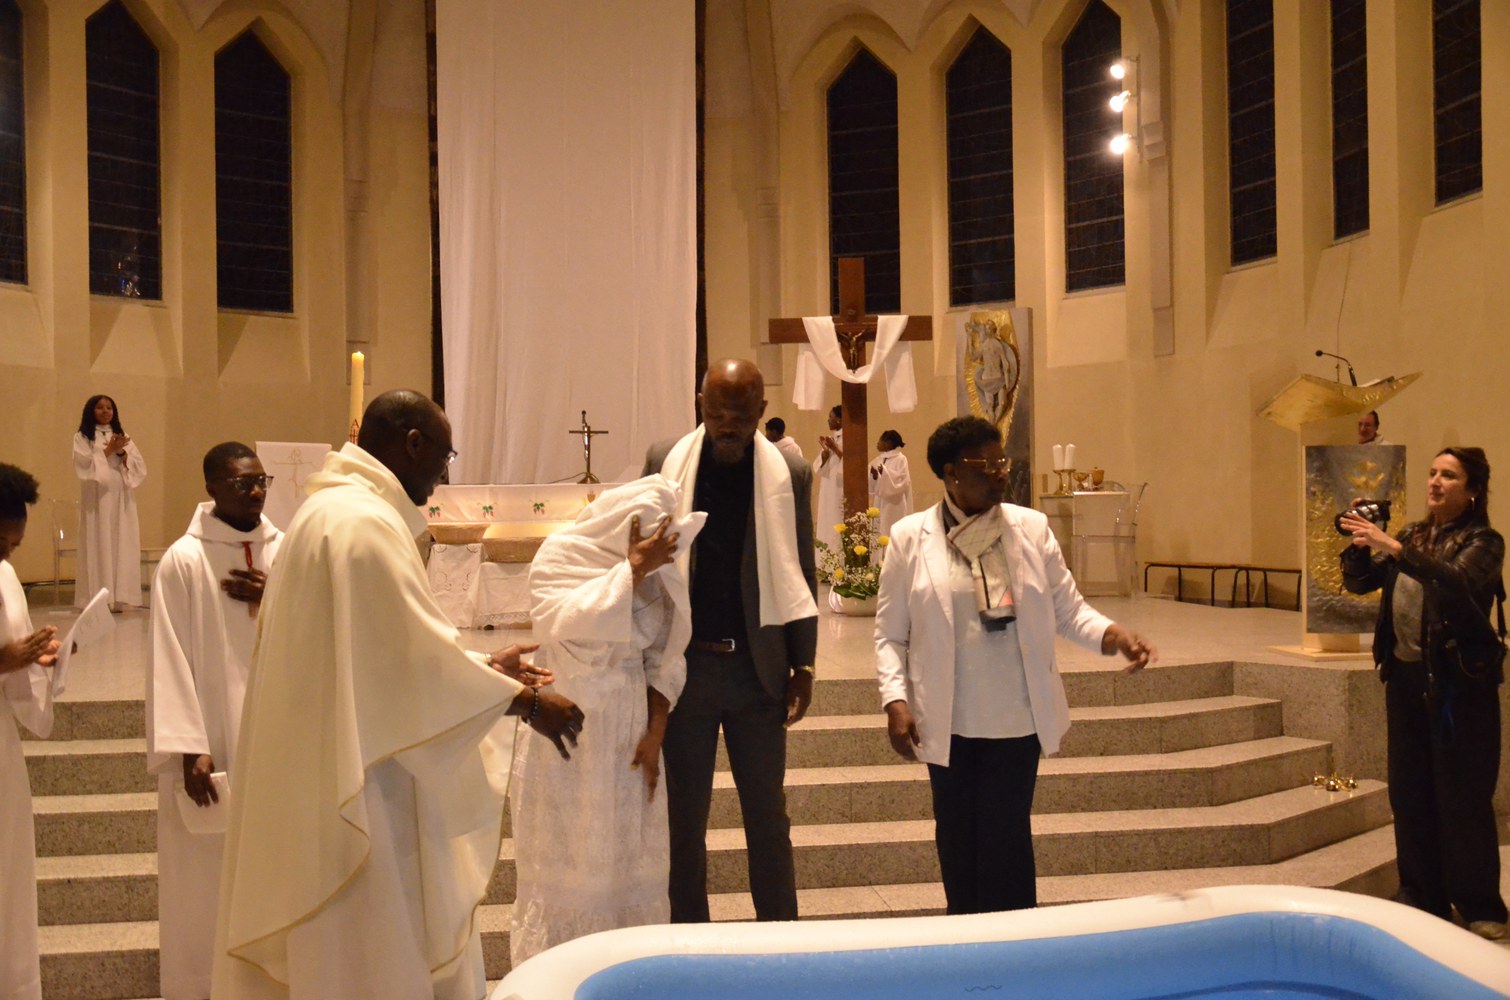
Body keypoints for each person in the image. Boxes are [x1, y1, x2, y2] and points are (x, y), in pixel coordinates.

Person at [212, 390, 585, 1000]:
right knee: (368, 945)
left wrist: (485, 668)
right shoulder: (363, 524)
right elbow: (410, 661)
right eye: (444, 456)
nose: (444, 476)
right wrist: (528, 704)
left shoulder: (328, 511)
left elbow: (384, 651)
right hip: (361, 782)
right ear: (413, 444)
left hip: (332, 757)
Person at [875, 416, 1155, 915]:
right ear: (950, 472)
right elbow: (891, 635)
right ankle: (965, 943)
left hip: (1017, 720)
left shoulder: (1030, 528)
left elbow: (1068, 610)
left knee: (1007, 845)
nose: (1001, 474)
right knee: (957, 842)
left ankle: (1016, 947)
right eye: (985, 465)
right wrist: (895, 701)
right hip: (949, 720)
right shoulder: (909, 537)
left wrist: (1112, 634)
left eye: (1002, 462)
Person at [643, 358, 818, 923]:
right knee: (683, 822)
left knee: (768, 818)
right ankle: (687, 941)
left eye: (741, 416)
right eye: (718, 413)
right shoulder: (664, 461)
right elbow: (643, 564)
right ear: (700, 405)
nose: (728, 426)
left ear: (761, 411)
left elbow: (802, 568)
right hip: (684, 670)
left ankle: (780, 941)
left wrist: (804, 664)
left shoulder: (789, 472)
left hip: (757, 673)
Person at [510, 476, 702, 964]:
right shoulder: (560, 555)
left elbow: (667, 656)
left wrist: (655, 733)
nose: (657, 543)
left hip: (628, 729)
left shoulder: (660, 569)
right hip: (564, 723)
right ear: (623, 524)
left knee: (626, 864)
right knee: (569, 862)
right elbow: (563, 624)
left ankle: (628, 973)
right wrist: (631, 570)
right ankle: (554, 973)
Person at [1340, 447, 1506, 940]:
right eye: (1432, 473)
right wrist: (1359, 545)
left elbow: (1455, 582)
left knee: (1463, 796)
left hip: (1459, 683)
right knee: (1409, 792)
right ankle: (1421, 894)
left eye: (1448, 475)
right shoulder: (1413, 534)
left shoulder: (1484, 541)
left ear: (1472, 490)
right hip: (1407, 679)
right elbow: (1360, 583)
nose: (1434, 481)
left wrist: (1393, 547)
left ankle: (1480, 906)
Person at [147, 443, 284, 1000]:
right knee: (205, 871)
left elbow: (323, 626)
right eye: (242, 483)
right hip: (213, 738)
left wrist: (280, 596)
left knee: (274, 867)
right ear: (211, 488)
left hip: (276, 734)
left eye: (262, 481)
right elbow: (168, 653)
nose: (256, 491)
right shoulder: (183, 560)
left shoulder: (287, 550)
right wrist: (188, 745)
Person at [1, 463, 61, 1000]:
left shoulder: (4, 578)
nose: (6, 555)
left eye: (14, 546)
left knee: (7, 870)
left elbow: (16, 674)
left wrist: (37, 660)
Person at [72, 394, 146, 611]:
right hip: (97, 495)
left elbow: (138, 466)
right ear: (91, 411)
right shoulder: (83, 436)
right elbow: (83, 464)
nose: (105, 411)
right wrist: (109, 450)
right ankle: (97, 598)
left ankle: (120, 596)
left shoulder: (122, 435)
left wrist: (121, 451)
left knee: (121, 540)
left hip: (120, 494)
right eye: (100, 407)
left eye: (109, 408)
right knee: (99, 539)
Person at [868, 429, 913, 539]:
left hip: (895, 503)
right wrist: (875, 475)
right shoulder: (879, 459)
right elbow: (874, 482)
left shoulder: (901, 459)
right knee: (879, 530)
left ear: (888, 443)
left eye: (880, 440)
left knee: (892, 530)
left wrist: (884, 473)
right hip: (880, 501)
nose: (877, 443)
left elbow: (902, 480)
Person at [815, 404, 844, 552]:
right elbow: (820, 467)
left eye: (831, 417)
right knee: (827, 517)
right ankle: (826, 556)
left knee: (836, 517)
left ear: (839, 419)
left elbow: (852, 462)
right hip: (828, 485)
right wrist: (825, 453)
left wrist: (834, 448)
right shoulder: (833, 438)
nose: (828, 420)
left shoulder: (849, 437)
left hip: (840, 486)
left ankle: (837, 554)